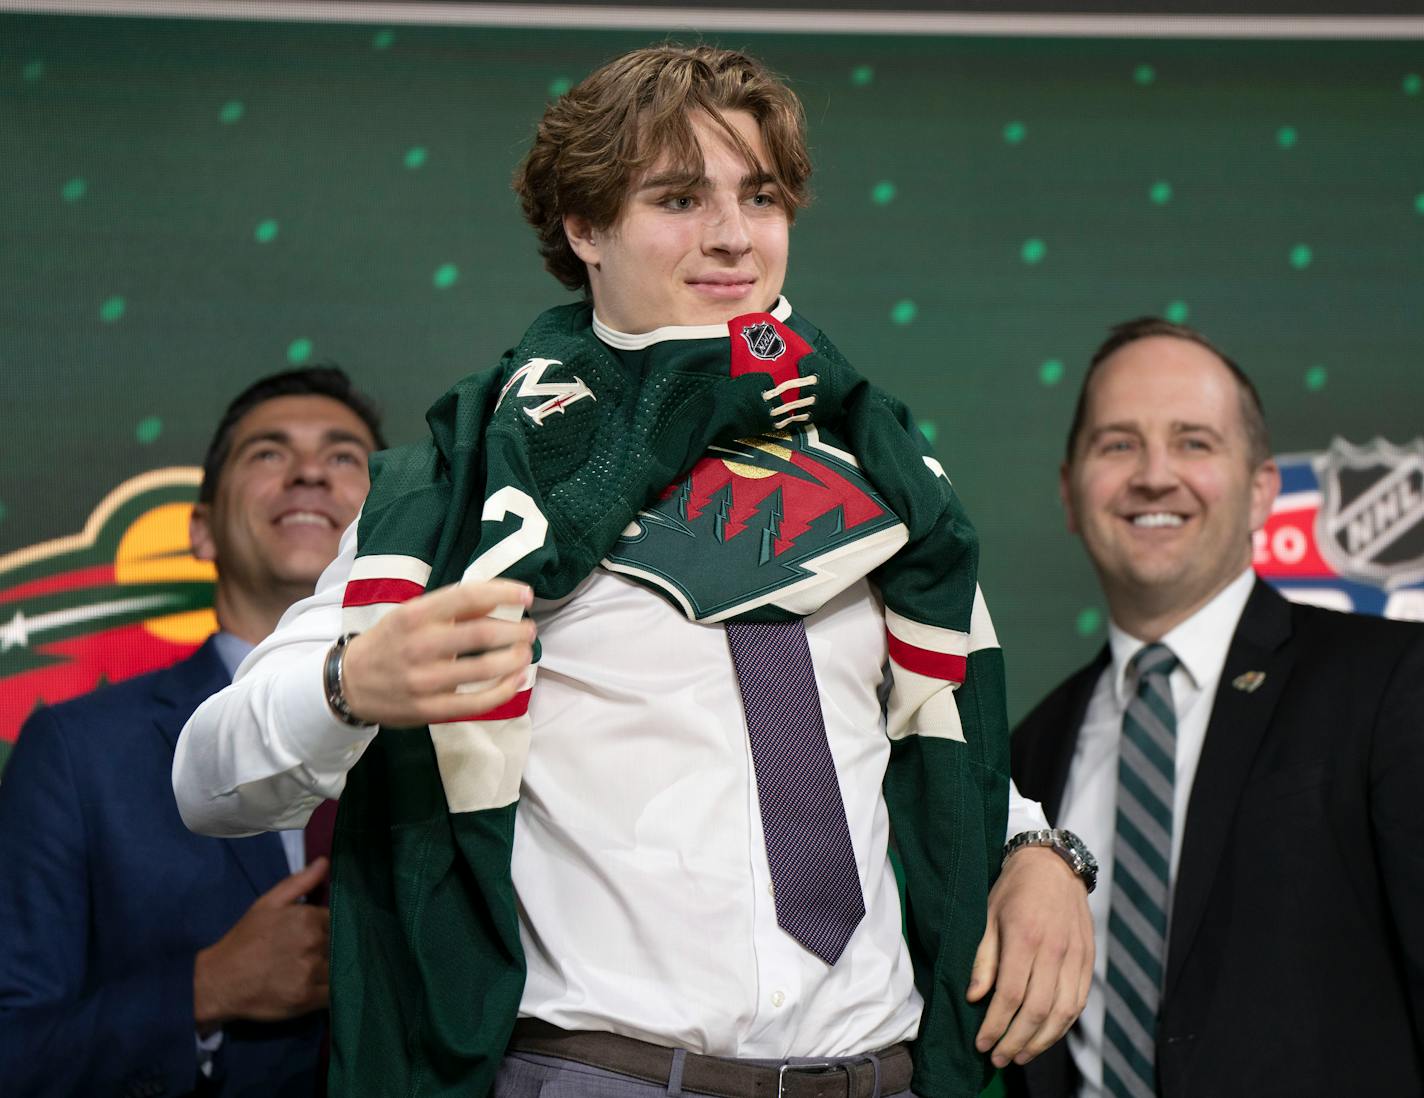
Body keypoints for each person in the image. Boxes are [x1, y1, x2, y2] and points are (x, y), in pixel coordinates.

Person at [173, 46, 1094, 1098]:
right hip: (601, 1076)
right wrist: (349, 686)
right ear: (583, 228)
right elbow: (207, 780)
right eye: (676, 197)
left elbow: (926, 755)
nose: (732, 236)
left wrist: (1040, 854)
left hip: (878, 1074)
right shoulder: (469, 476)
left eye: (760, 195)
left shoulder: (877, 468)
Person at [1006, 317, 1424, 1098]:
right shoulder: (1029, 753)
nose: (1155, 475)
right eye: (1118, 444)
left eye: (1194, 442)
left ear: (1263, 488)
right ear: (1070, 492)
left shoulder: (1389, 683)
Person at [0, 366, 386, 1097]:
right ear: (201, 530)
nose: (310, 472)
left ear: (391, 527)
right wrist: (204, 990)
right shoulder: (79, 754)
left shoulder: (460, 742)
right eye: (269, 453)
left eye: (345, 458)